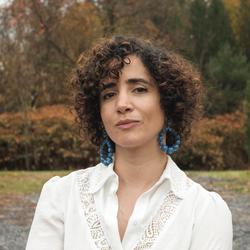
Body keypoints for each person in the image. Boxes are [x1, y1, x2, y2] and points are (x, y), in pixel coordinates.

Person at [26, 36, 233, 250]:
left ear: (168, 102)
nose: (122, 104)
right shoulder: (60, 197)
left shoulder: (205, 211)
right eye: (109, 94)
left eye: (139, 89)